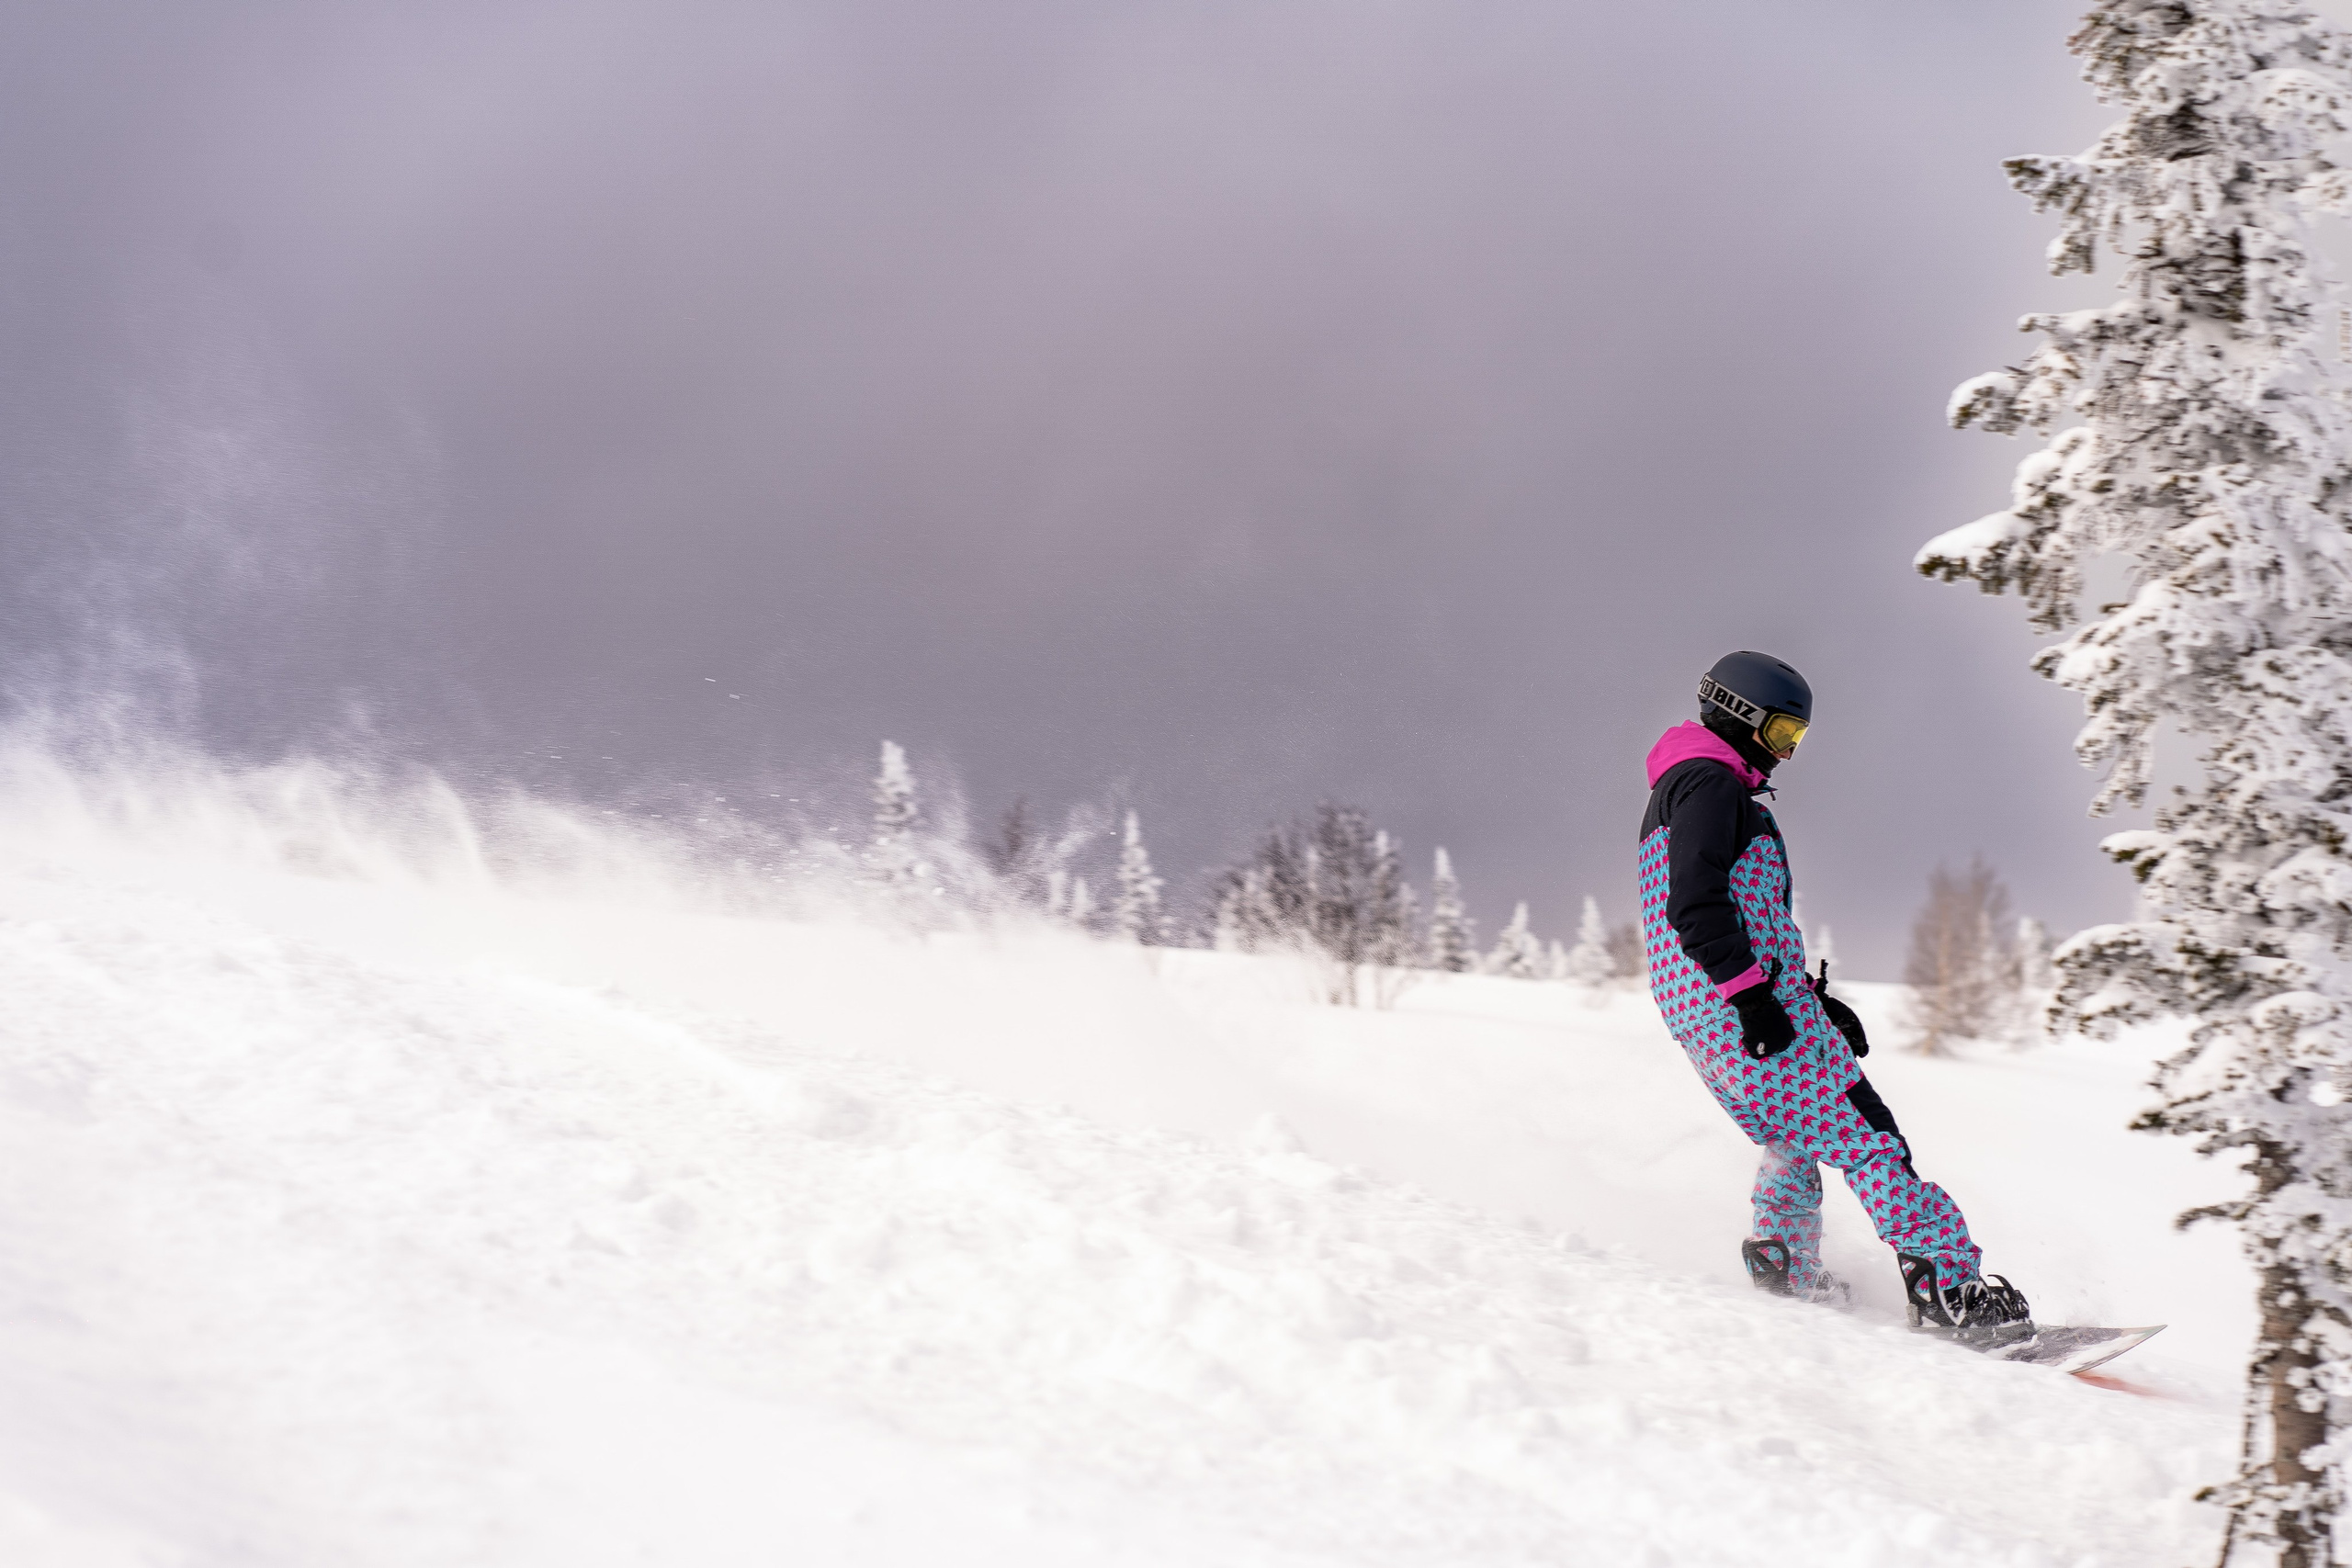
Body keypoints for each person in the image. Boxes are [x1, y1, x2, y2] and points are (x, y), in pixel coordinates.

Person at [1635, 650, 2031, 1342]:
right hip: (1739, 1006)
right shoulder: (1709, 786)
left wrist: (1811, 1002)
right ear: (1739, 715)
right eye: (1781, 732)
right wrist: (1756, 1000)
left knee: (1793, 1131)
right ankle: (1950, 1290)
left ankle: (1785, 1266)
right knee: (1870, 1138)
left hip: (1704, 1014)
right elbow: (1695, 906)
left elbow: (1740, 913)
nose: (1787, 752)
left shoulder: (1686, 788)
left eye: (1797, 737)